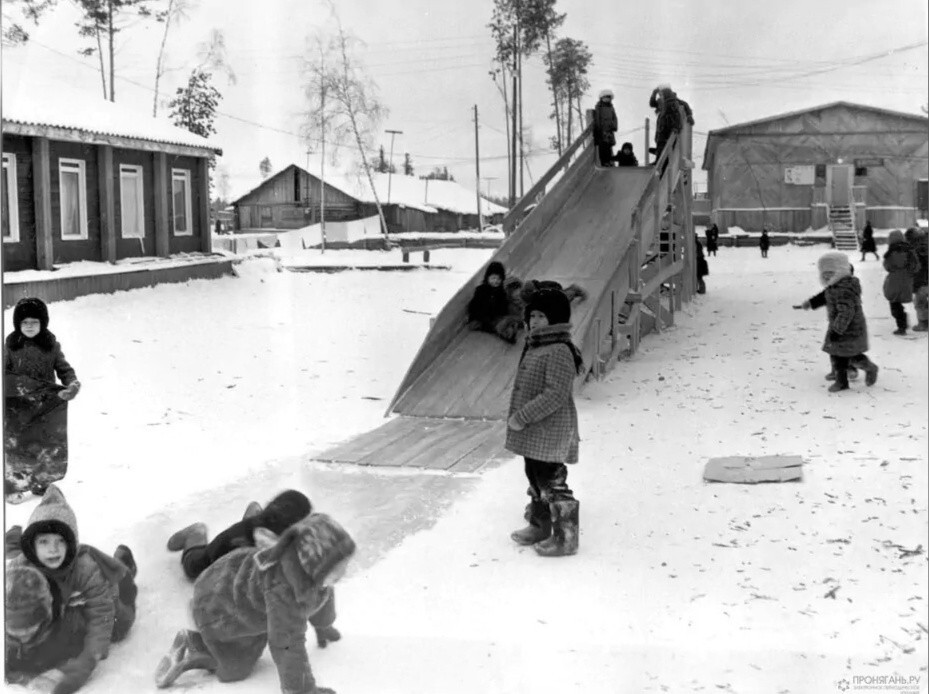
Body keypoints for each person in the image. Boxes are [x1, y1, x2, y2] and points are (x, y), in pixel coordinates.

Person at [154, 513, 356, 694]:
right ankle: (193, 644)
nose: (344, 571)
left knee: (270, 626)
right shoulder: (284, 592)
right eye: (338, 567)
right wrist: (302, 690)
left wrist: (323, 625)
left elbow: (323, 594)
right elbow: (287, 644)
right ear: (314, 565)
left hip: (233, 583)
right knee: (235, 668)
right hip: (219, 607)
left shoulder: (310, 572)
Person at [165, 489, 340, 649]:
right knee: (192, 566)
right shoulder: (243, 553)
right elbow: (222, 588)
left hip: (253, 532)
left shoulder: (286, 539)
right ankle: (196, 533)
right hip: (213, 557)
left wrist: (323, 623)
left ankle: (252, 513)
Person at [6, 485, 138, 693]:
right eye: (44, 541)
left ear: (71, 544)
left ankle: (123, 562)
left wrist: (87, 661)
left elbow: (101, 616)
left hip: (109, 599)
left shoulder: (85, 569)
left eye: (60, 541)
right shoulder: (20, 567)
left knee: (119, 626)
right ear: (32, 545)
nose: (53, 549)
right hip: (65, 606)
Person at [506, 288, 584, 557]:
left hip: (551, 429)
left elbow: (555, 394)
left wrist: (522, 416)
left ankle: (566, 537)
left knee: (552, 481)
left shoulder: (559, 350)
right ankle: (541, 525)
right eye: (532, 315)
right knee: (536, 477)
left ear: (556, 319)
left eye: (542, 316)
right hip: (536, 431)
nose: (535, 321)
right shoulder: (536, 345)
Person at [4, 298, 81, 500]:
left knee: (44, 444)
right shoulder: (10, 348)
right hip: (17, 407)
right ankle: (16, 486)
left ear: (43, 323)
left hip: (45, 406)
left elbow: (65, 370)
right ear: (18, 324)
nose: (29, 326)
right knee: (18, 446)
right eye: (25, 322)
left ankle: (41, 482)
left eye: (34, 322)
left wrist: (72, 385)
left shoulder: (52, 347)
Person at [796, 252, 878, 392]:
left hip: (849, 328)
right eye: (824, 273)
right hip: (839, 325)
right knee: (836, 352)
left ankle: (869, 368)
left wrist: (837, 330)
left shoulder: (844, 288)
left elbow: (846, 312)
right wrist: (810, 303)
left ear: (840, 271)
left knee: (850, 355)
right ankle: (840, 377)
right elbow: (824, 296)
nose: (827, 276)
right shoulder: (834, 286)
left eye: (830, 272)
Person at [467, 261, 521, 344]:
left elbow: (503, 307)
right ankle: (507, 332)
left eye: (499, 279)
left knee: (508, 316)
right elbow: (474, 306)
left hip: (495, 316)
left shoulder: (501, 292)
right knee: (497, 324)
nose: (496, 281)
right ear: (487, 278)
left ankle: (516, 324)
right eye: (493, 278)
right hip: (482, 318)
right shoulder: (481, 290)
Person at [882, 229, 920, 335]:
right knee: (898, 302)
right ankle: (902, 320)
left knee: (894, 303)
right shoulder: (910, 251)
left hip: (894, 280)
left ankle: (901, 326)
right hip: (907, 279)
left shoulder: (891, 252)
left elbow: (887, 266)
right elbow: (916, 266)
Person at [904, 227, 928, 332]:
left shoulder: (916, 251)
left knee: (920, 303)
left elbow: (914, 268)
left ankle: (923, 324)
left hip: (922, 282)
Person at [591, 89, 618, 167]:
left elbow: (614, 117)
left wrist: (614, 126)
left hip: (609, 130)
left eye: (609, 97)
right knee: (603, 147)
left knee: (609, 146)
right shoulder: (599, 107)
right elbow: (597, 118)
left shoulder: (611, 107)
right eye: (606, 97)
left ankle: (608, 161)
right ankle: (604, 162)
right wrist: (598, 128)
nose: (607, 99)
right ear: (602, 98)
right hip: (602, 130)